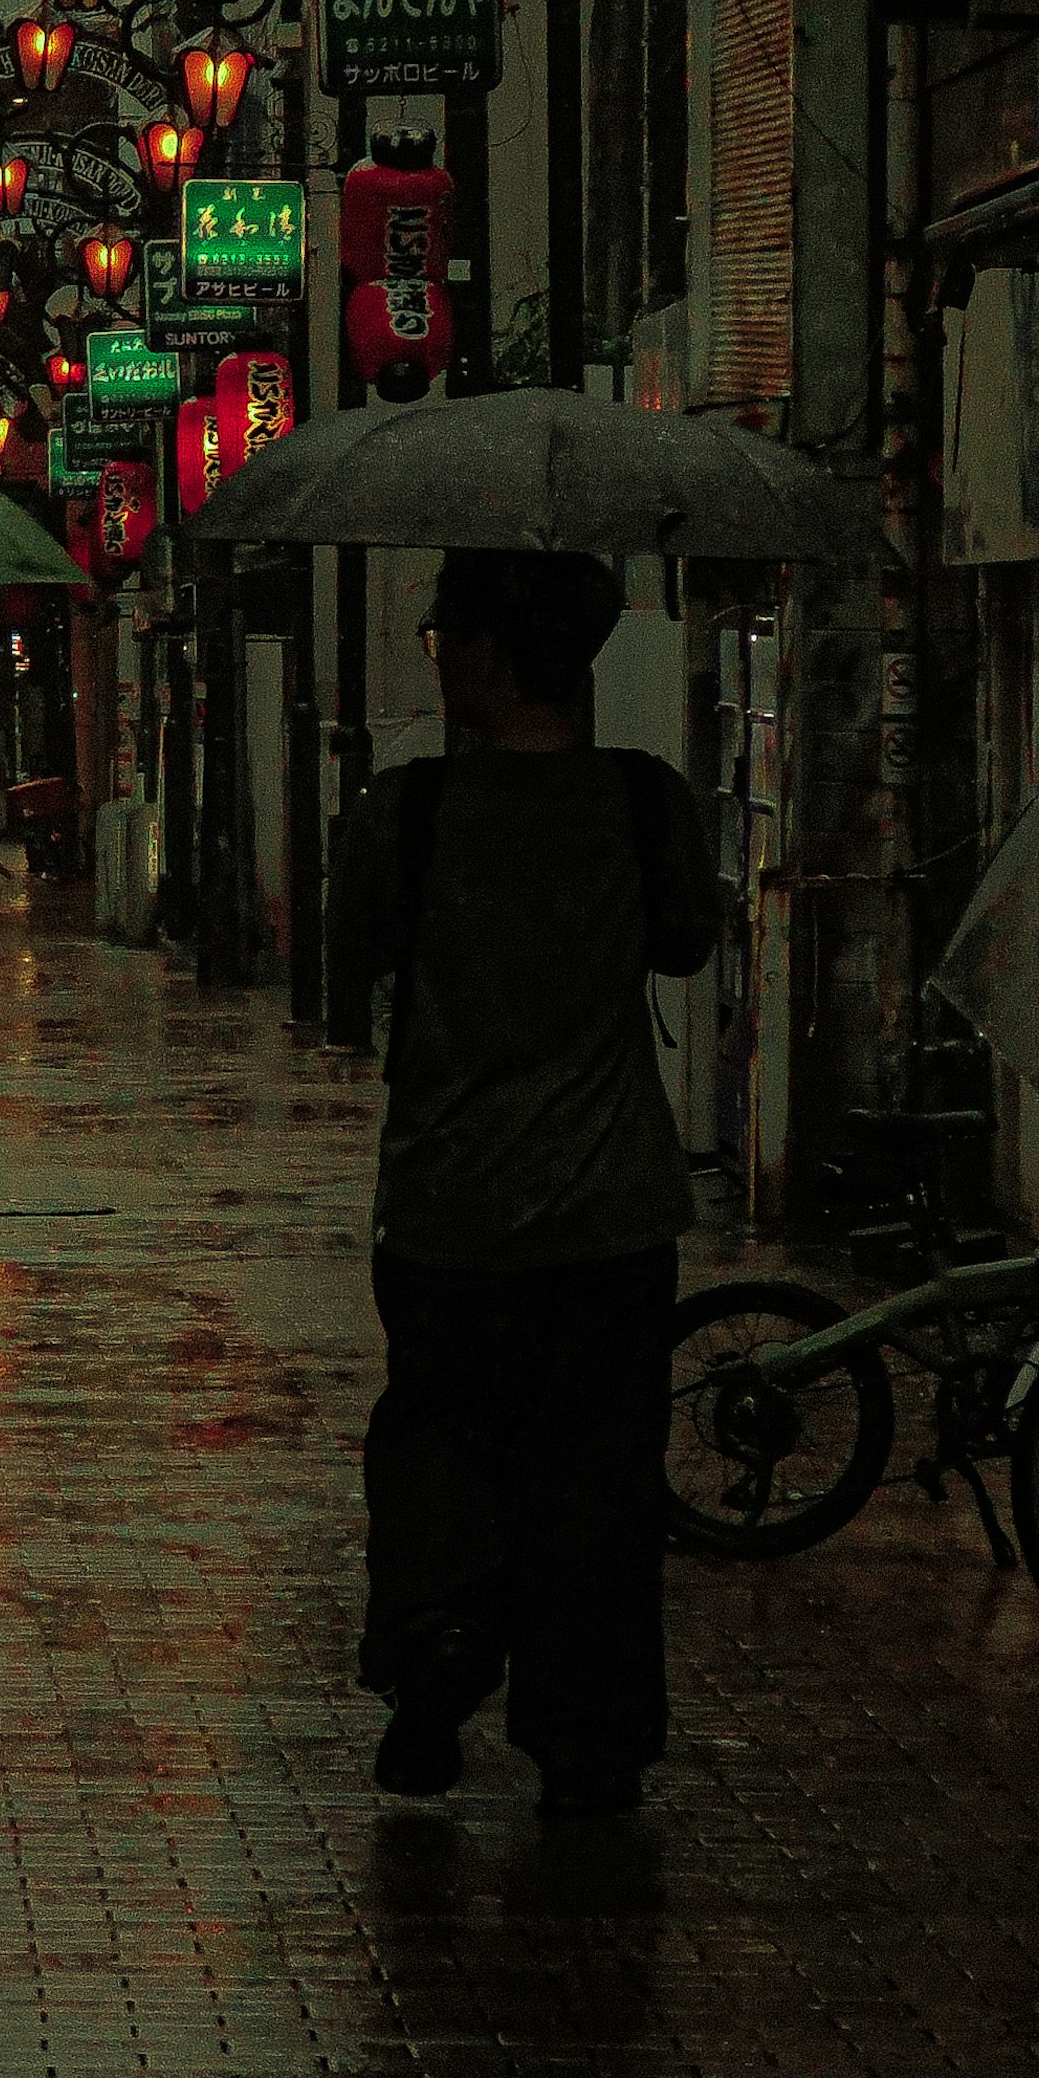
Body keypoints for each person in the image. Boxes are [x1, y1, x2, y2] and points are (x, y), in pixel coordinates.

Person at [323, 547, 722, 1821]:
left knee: (440, 1438)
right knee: (599, 1475)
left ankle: (440, 1639)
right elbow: (685, 940)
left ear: (491, 653)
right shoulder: (646, 802)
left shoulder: (410, 811)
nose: (438, 659)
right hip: (612, 1214)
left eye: (445, 636)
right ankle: (588, 1731)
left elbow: (349, 963)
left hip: (447, 1206)